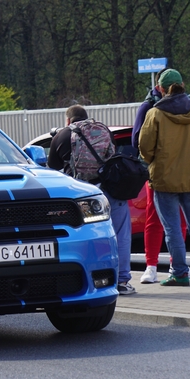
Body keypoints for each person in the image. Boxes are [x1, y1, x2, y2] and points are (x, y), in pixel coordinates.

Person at [139, 68, 190, 286]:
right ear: (182, 85)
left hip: (164, 179)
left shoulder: (155, 114)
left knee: (172, 229)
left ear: (161, 88)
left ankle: (180, 272)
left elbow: (144, 148)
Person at [48, 105, 135, 295]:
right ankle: (123, 281)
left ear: (68, 120)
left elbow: (52, 168)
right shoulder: (102, 129)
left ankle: (97, 281)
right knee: (121, 235)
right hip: (110, 189)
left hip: (83, 196)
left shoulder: (61, 136)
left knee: (87, 237)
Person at [131, 69, 190, 284]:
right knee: (163, 218)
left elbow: (137, 142)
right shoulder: (187, 106)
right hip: (169, 171)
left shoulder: (159, 106)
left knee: (172, 219)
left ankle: (171, 264)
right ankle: (156, 265)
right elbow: (138, 141)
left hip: (168, 170)